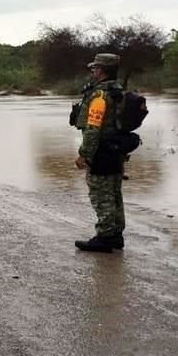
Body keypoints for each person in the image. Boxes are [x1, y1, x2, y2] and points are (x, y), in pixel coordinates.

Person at [72, 53, 126, 253]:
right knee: (114, 194)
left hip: (101, 152)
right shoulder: (117, 91)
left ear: (102, 70)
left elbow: (93, 128)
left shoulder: (100, 96)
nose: (92, 71)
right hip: (116, 151)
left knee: (101, 195)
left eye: (95, 68)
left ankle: (104, 237)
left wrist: (84, 155)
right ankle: (116, 235)